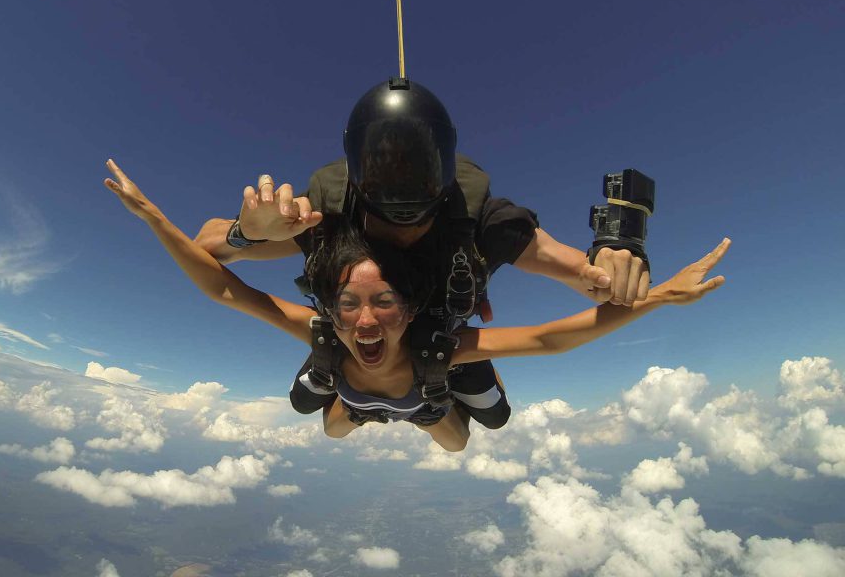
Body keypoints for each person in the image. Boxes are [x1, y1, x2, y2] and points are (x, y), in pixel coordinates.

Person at [104, 158, 730, 451]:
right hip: (364, 395)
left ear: (409, 310)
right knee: (329, 420)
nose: (365, 319)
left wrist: (663, 294)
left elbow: (551, 338)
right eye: (348, 304)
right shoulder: (326, 335)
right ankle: (381, 409)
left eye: (382, 302)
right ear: (332, 306)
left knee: (461, 437)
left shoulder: (439, 345)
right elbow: (221, 283)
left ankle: (428, 406)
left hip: (429, 387)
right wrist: (153, 215)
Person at [192, 79, 650, 430]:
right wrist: (246, 230)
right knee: (305, 403)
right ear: (358, 173)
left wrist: (614, 255)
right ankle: (369, 401)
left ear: (444, 166)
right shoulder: (321, 219)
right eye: (384, 167)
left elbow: (584, 274)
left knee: (494, 416)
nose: (401, 187)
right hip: (358, 336)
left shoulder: (482, 223)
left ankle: (419, 392)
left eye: (415, 167)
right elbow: (207, 248)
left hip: (442, 343)